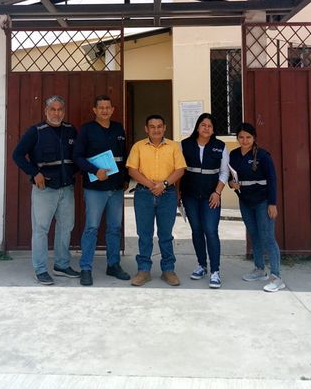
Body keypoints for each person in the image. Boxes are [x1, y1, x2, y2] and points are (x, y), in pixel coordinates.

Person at [12, 95, 80, 285]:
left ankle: (61, 265)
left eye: (60, 109)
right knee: (41, 230)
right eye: (53, 109)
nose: (56, 113)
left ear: (64, 111)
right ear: (46, 111)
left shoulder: (70, 130)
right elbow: (17, 155)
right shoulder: (36, 131)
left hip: (66, 188)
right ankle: (40, 269)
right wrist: (34, 173)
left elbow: (78, 155)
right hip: (44, 189)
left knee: (66, 228)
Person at [73, 94, 130, 286]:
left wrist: (126, 179)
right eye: (101, 108)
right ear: (95, 110)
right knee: (91, 227)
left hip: (116, 188)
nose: (105, 110)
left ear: (112, 110)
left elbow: (124, 156)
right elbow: (78, 157)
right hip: (95, 188)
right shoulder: (87, 130)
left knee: (114, 228)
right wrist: (94, 170)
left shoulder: (119, 129)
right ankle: (86, 268)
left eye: (108, 107)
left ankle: (113, 265)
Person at [126, 114, 186, 286]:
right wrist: (152, 185)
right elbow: (132, 170)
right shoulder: (138, 147)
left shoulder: (173, 147)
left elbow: (180, 170)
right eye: (152, 126)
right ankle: (143, 270)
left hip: (167, 194)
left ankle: (168, 270)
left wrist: (164, 184)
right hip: (143, 194)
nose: (156, 130)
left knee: (165, 235)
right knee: (144, 234)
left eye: (159, 126)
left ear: (164, 128)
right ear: (146, 129)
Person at [229, 122, 285, 292]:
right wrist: (232, 184)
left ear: (254, 138)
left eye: (248, 137)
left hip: (263, 201)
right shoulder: (233, 155)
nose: (244, 140)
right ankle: (260, 270)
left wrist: (272, 203)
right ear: (237, 138)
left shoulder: (263, 155)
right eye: (241, 137)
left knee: (267, 237)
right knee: (254, 235)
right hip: (245, 201)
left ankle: (276, 277)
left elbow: (272, 179)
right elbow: (231, 178)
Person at [180, 113, 229, 289]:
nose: (206, 128)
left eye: (209, 126)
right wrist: (178, 193)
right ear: (197, 127)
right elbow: (179, 170)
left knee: (211, 230)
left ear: (213, 129)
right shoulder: (184, 144)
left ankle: (215, 271)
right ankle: (201, 265)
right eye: (203, 125)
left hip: (211, 196)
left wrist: (217, 192)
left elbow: (224, 172)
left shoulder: (220, 146)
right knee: (196, 230)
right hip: (190, 195)